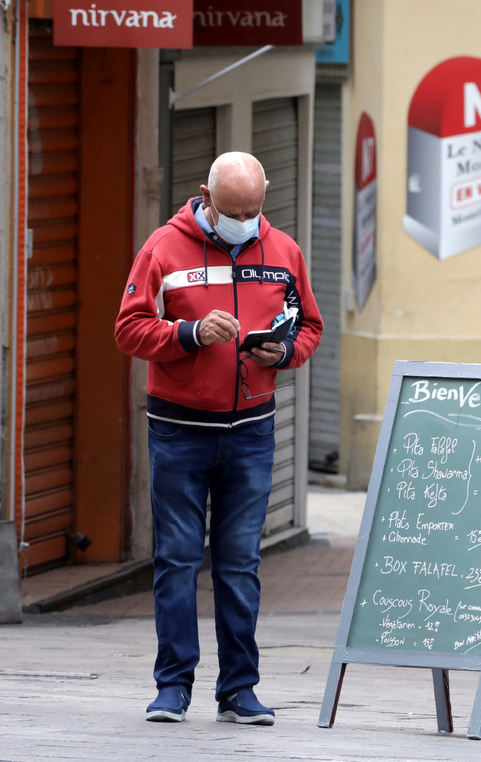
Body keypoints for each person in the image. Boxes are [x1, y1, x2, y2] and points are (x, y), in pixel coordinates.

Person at [115, 152, 322, 725]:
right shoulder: (163, 247)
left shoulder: (283, 252)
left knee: (239, 565)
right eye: (232, 211)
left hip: (251, 432)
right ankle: (173, 686)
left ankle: (239, 690)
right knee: (178, 560)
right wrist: (189, 333)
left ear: (265, 197)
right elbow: (128, 326)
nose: (243, 220)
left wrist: (283, 352)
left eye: (253, 210)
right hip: (180, 431)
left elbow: (308, 325)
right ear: (204, 195)